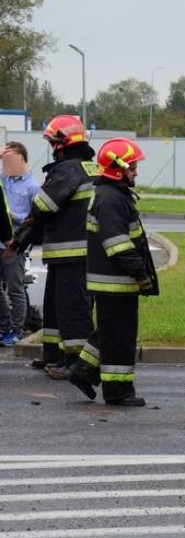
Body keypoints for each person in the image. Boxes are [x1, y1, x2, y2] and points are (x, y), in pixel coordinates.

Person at [66, 138, 158, 406]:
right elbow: (117, 244)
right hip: (115, 283)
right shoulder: (111, 199)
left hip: (113, 283)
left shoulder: (112, 195)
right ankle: (119, 392)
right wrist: (140, 274)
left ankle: (83, 371)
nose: (136, 172)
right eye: (132, 166)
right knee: (119, 339)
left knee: (108, 332)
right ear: (118, 168)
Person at [10, 115, 97, 376]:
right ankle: (53, 356)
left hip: (74, 253)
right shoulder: (85, 167)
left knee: (73, 309)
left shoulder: (69, 169)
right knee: (56, 307)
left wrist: (22, 233)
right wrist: (21, 240)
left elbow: (44, 206)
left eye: (52, 141)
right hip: (66, 253)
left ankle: (75, 364)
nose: (51, 146)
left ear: (63, 142)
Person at [0, 142, 39, 346]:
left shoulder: (32, 186)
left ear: (21, 159)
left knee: (16, 288)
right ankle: (4, 326)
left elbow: (35, 217)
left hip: (15, 244)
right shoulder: (3, 179)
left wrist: (14, 217)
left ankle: (16, 330)